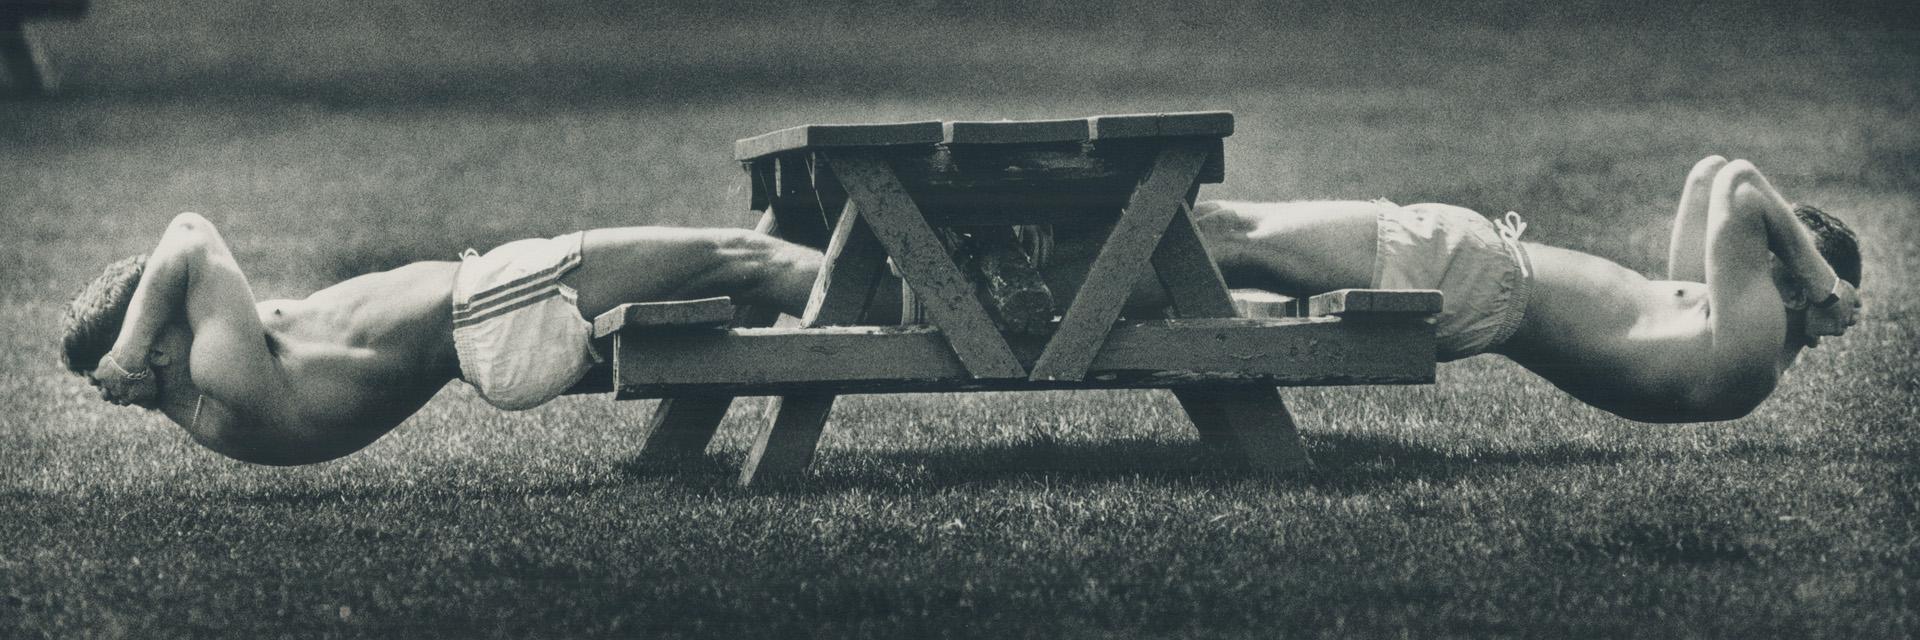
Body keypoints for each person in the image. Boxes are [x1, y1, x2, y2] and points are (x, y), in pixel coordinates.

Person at [64, 217, 822, 465]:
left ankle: (893, 278)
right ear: (159, 349)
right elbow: (189, 235)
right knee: (744, 257)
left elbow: (184, 258)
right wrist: (128, 351)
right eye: (167, 311)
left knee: (743, 269)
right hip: (495, 310)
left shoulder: (221, 387)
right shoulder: (219, 372)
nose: (187, 305)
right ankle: (937, 298)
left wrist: (135, 350)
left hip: (492, 317)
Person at [1188, 157, 1861, 422]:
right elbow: (1712, 172)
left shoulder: (1748, 356)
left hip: (1469, 280)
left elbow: (1741, 187)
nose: (1745, 252)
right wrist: (1810, 275)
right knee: (1217, 230)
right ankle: (1081, 286)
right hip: (1473, 269)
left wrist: (1825, 284)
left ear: (1796, 295)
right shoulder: (1709, 316)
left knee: (1227, 235)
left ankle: (1080, 306)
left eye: (1773, 256)